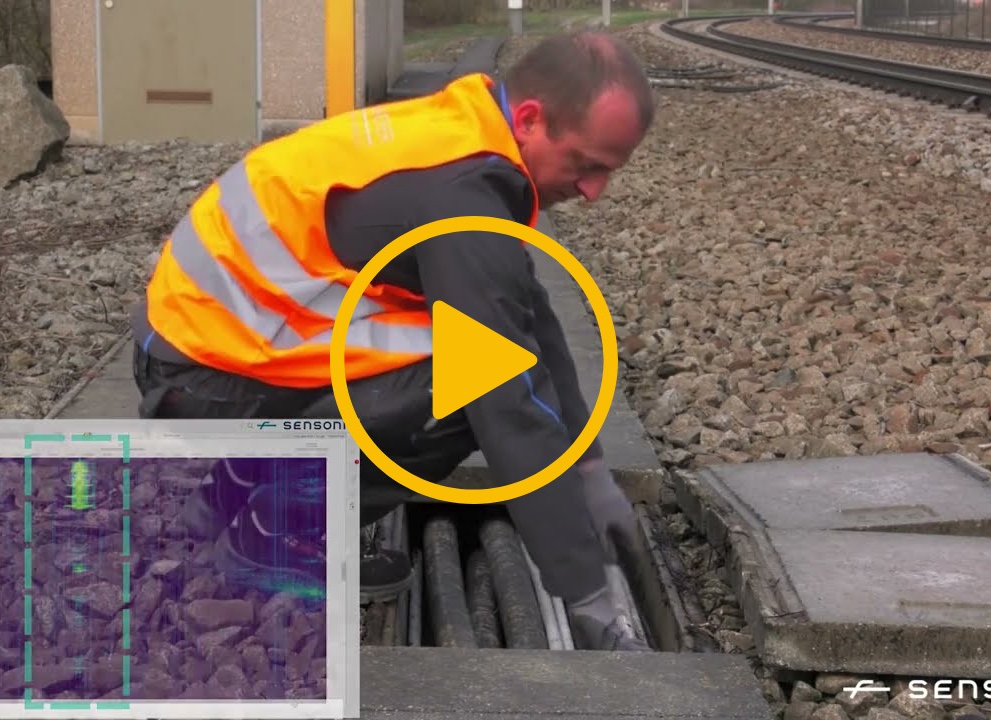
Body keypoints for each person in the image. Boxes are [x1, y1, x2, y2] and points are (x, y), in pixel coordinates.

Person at [129, 30, 656, 651]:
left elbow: (531, 314)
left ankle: (229, 494)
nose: (595, 191)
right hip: (206, 382)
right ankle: (274, 532)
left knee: (489, 342)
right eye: (587, 165)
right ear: (534, 120)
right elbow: (505, 400)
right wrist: (586, 591)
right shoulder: (461, 200)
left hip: (207, 345)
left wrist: (589, 469)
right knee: (469, 388)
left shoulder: (468, 129)